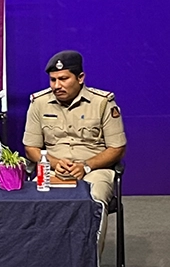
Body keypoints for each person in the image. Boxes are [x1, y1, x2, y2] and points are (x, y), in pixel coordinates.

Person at [23, 50, 126, 251]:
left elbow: (117, 148)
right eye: (53, 80)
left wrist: (86, 166)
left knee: (94, 200)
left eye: (63, 79)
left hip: (95, 170)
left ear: (80, 78)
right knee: (32, 202)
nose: (56, 86)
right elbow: (31, 148)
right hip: (53, 169)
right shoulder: (39, 103)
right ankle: (43, 262)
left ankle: (88, 264)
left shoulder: (102, 102)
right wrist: (54, 163)